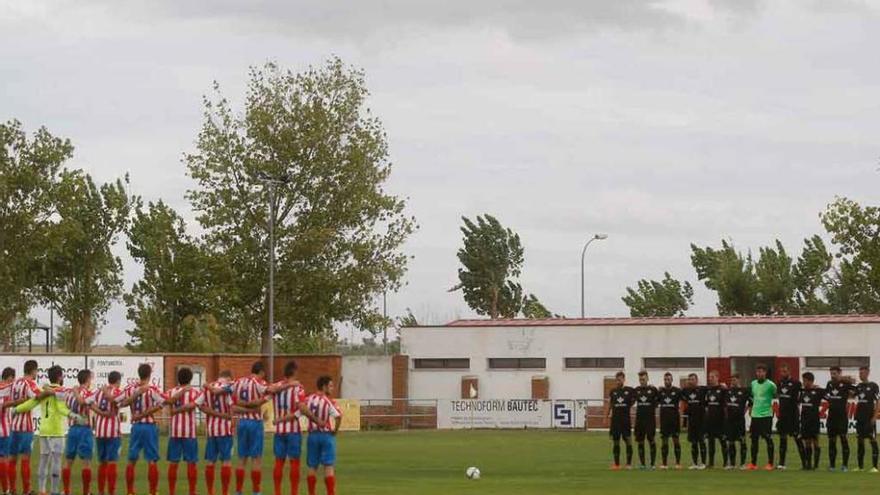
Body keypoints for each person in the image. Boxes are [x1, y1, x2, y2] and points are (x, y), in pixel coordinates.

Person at [14, 365, 88, 495]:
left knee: (43, 460)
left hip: (44, 430)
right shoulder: (60, 390)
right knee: (56, 460)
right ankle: (54, 491)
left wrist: (17, 409)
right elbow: (61, 409)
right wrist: (74, 416)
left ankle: (42, 490)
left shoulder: (44, 391)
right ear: (60, 377)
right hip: (56, 430)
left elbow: (32, 402)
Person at [232, 361, 291, 495]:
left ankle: (238, 491)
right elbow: (271, 390)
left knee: (242, 458)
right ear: (262, 372)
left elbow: (232, 396)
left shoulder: (239, 381)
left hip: (242, 422)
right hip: (255, 423)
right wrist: (288, 384)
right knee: (256, 459)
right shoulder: (259, 383)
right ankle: (256, 491)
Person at [271, 361, 321, 495]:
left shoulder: (277, 385)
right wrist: (315, 419)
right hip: (293, 430)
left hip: (279, 431)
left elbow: (269, 390)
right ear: (295, 372)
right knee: (294, 462)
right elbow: (301, 408)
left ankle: (277, 492)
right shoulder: (298, 388)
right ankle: (294, 492)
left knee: (279, 462)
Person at [119, 363, 167, 495]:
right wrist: (146, 413)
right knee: (152, 460)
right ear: (150, 374)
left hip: (136, 427)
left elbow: (121, 403)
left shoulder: (130, 389)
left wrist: (134, 401)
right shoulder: (152, 389)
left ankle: (130, 491)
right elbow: (162, 403)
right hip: (149, 426)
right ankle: (153, 491)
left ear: (139, 373)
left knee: (131, 460)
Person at [8, 359, 50, 495]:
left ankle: (12, 489)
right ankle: (26, 490)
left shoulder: (15, 383)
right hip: (25, 427)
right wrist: (48, 391)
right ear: (33, 371)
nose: (37, 373)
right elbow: (38, 396)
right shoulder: (29, 383)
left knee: (12, 459)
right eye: (36, 371)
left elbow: (11, 401)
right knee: (25, 459)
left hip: (13, 426)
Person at [166, 367, 204, 495]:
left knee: (173, 463)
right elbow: (196, 406)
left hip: (175, 432)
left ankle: (172, 491)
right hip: (189, 433)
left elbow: (167, 403)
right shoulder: (195, 392)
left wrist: (175, 410)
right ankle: (192, 492)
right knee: (191, 463)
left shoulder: (171, 391)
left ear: (178, 378)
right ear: (190, 378)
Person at [305, 376, 342, 495]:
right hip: (326, 436)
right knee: (328, 466)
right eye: (330, 386)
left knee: (312, 466)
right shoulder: (328, 401)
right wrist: (335, 430)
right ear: (324, 386)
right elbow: (338, 416)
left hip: (312, 435)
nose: (332, 388)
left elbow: (300, 410)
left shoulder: (308, 399)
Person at [63, 369, 97, 495]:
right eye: (91, 379)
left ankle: (66, 491)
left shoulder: (70, 394)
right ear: (87, 379)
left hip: (72, 429)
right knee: (86, 462)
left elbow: (67, 407)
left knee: (68, 461)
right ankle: (86, 492)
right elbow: (86, 403)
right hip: (84, 429)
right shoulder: (88, 393)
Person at [201, 370, 235, 495]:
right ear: (229, 378)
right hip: (225, 430)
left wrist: (206, 385)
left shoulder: (208, 387)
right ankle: (225, 492)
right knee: (226, 460)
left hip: (211, 430)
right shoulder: (230, 386)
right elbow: (231, 409)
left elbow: (200, 406)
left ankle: (210, 492)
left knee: (211, 461)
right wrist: (226, 417)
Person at [93, 371, 125, 495]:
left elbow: (88, 402)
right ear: (117, 381)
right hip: (112, 432)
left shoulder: (98, 392)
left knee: (102, 462)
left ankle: (101, 492)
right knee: (112, 462)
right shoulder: (117, 392)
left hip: (100, 431)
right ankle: (111, 492)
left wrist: (100, 413)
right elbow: (117, 401)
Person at [747, 363, 776, 471]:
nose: (759, 373)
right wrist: (750, 408)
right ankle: (753, 463)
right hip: (755, 415)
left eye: (761, 371)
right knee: (754, 440)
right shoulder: (753, 383)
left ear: (765, 373)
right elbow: (751, 397)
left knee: (768, 439)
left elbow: (776, 394)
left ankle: (770, 463)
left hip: (766, 415)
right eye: (758, 372)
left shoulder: (771, 385)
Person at [774, 362, 803, 470]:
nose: (783, 373)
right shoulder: (780, 382)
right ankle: (782, 463)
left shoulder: (796, 383)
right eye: (782, 371)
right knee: (782, 439)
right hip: (783, 415)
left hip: (793, 415)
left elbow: (801, 396)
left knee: (797, 438)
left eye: (785, 371)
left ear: (789, 371)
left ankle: (805, 462)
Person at [824, 366, 853, 471]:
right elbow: (826, 395)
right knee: (831, 441)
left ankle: (844, 465)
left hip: (842, 417)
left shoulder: (845, 383)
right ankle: (832, 465)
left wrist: (846, 380)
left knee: (843, 440)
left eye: (834, 373)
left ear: (840, 373)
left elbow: (855, 387)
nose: (832, 375)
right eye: (831, 373)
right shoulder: (829, 384)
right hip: (831, 417)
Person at [606, 371, 634, 470]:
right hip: (615, 421)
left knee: (628, 441)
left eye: (620, 379)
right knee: (616, 442)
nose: (618, 381)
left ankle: (629, 464)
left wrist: (628, 407)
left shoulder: (629, 390)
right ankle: (617, 464)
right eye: (617, 380)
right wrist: (606, 416)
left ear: (624, 379)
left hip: (625, 420)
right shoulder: (613, 391)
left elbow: (634, 400)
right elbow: (610, 404)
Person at [853, 365, 879, 472]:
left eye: (862, 373)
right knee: (860, 440)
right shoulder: (858, 386)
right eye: (859, 373)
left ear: (867, 373)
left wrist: (874, 416)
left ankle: (874, 467)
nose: (860, 374)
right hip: (860, 417)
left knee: (872, 440)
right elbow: (850, 395)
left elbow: (878, 402)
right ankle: (860, 466)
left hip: (869, 417)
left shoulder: (873, 386)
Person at [722, 373, 750, 469]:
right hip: (729, 420)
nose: (733, 382)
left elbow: (751, 403)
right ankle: (732, 464)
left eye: (734, 380)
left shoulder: (744, 391)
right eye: (732, 380)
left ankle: (742, 464)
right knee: (730, 441)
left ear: (739, 380)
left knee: (742, 441)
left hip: (739, 420)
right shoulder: (727, 391)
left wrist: (744, 411)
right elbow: (724, 404)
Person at [632, 371, 658, 469]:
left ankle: (652, 464)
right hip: (639, 420)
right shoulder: (636, 390)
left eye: (643, 379)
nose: (642, 381)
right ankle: (642, 464)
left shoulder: (653, 390)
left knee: (651, 440)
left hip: (650, 420)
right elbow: (631, 401)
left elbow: (657, 402)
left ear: (647, 378)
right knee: (640, 441)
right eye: (640, 379)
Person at [799, 372, 824, 470]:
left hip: (814, 420)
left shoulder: (818, 391)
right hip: (805, 420)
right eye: (803, 381)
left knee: (815, 441)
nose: (803, 383)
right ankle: (808, 465)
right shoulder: (802, 391)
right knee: (807, 442)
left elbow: (828, 396)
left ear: (810, 381)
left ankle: (816, 465)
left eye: (805, 381)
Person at [656, 372, 682, 469]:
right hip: (664, 421)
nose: (667, 381)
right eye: (665, 379)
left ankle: (678, 463)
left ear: (672, 380)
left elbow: (685, 398)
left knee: (676, 441)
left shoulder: (677, 391)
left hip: (674, 421)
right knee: (664, 442)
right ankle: (664, 464)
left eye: (668, 379)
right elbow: (655, 401)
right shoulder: (660, 392)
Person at [682, 373, 706, 470]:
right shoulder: (685, 391)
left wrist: (723, 386)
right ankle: (694, 463)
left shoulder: (703, 390)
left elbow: (714, 389)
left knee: (701, 441)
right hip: (691, 420)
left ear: (696, 380)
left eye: (692, 379)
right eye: (689, 379)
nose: (690, 381)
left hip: (701, 420)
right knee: (693, 442)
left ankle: (703, 463)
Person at [704, 371, 727, 469]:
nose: (710, 379)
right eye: (709, 377)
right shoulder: (708, 390)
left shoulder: (722, 389)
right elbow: (706, 405)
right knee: (711, 442)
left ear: (718, 378)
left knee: (723, 441)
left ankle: (726, 462)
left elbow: (727, 403)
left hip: (720, 420)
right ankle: (711, 463)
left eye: (712, 377)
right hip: (710, 421)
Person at [0, 367, 16, 495]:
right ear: (9, 377)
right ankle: (6, 490)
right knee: (4, 459)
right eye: (13, 377)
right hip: (4, 431)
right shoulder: (6, 391)